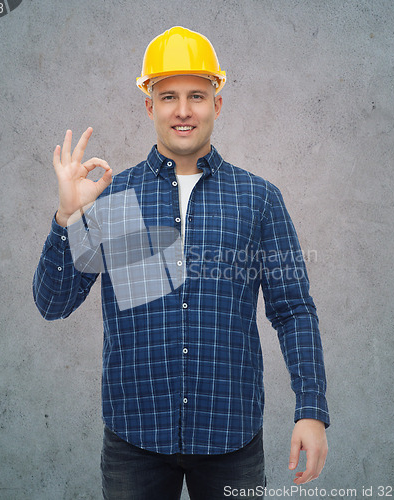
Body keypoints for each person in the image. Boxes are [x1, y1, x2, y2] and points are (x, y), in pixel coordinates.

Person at [33, 26, 329, 500]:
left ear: (218, 102)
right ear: (149, 105)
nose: (184, 110)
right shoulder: (115, 197)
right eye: (168, 96)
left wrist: (311, 410)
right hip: (135, 440)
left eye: (197, 95)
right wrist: (67, 217)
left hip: (232, 437)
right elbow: (53, 303)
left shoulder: (258, 199)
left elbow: (293, 310)